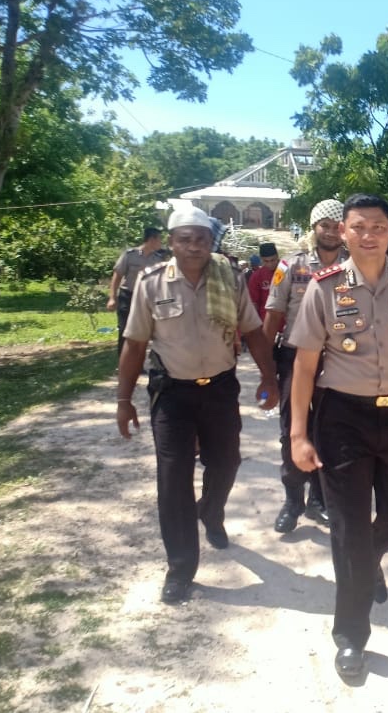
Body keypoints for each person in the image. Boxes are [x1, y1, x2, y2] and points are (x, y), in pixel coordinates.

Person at [289, 193, 388, 681]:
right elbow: (305, 365)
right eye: (359, 227)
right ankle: (351, 636)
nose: (369, 234)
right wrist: (298, 433)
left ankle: (367, 556)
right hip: (343, 421)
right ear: (344, 232)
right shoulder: (325, 288)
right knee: (351, 532)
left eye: (378, 225)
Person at [116, 206, 279, 605]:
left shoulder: (229, 278)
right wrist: (123, 400)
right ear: (171, 243)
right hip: (172, 393)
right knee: (173, 480)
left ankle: (210, 511)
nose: (193, 247)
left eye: (200, 239)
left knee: (226, 463)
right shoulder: (151, 283)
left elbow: (254, 332)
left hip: (220, 389)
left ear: (211, 242)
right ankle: (180, 568)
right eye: (184, 239)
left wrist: (270, 378)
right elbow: (135, 344)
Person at [262, 199, 347, 533]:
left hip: (338, 361)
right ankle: (293, 500)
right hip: (295, 359)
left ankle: (319, 500)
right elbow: (273, 316)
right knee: (292, 431)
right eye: (323, 224)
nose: (328, 231)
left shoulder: (353, 266)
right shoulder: (291, 265)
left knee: (328, 433)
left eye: (334, 225)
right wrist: (267, 371)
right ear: (314, 228)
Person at [107, 227, 165, 357]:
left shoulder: (157, 259)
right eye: (159, 239)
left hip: (146, 299)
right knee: (124, 330)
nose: (161, 242)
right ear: (152, 239)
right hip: (127, 296)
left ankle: (139, 361)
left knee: (143, 331)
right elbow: (117, 276)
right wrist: (112, 298)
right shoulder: (129, 255)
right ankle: (123, 363)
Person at [247, 242, 279, 323]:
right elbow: (254, 303)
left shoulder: (287, 272)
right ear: (261, 259)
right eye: (266, 261)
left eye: (273, 260)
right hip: (265, 322)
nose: (270, 264)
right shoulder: (256, 276)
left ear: (277, 257)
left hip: (286, 322)